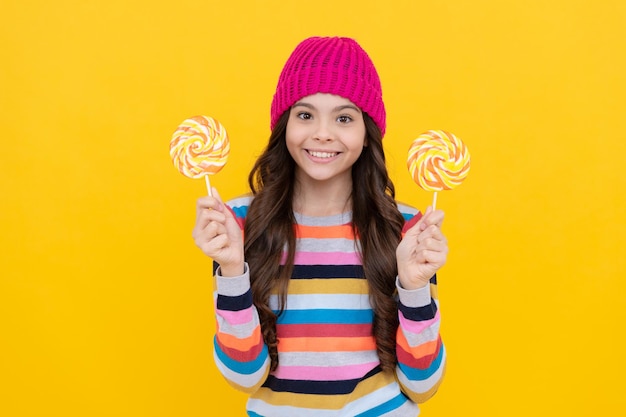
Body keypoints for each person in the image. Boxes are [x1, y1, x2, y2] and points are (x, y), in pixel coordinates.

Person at [192, 36, 448, 416]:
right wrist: (231, 271)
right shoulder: (238, 224)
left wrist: (413, 287)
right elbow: (243, 376)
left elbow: (423, 385)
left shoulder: (406, 228)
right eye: (306, 115)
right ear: (284, 124)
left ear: (367, 134)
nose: (323, 133)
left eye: (344, 118)